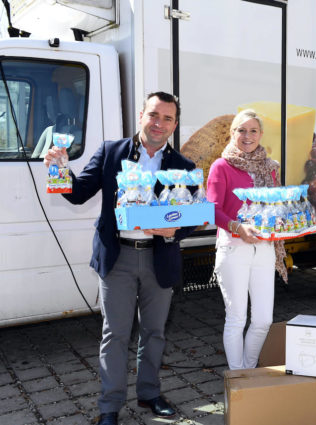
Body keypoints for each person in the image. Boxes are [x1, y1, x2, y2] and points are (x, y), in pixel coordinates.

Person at [44, 92, 196, 425]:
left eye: (167, 118)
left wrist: (172, 233)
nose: (159, 123)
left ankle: (149, 393)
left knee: (154, 332)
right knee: (115, 334)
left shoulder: (184, 167)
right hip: (118, 258)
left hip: (160, 258)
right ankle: (109, 407)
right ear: (141, 115)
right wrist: (59, 169)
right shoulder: (111, 152)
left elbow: (189, 218)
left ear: (174, 124)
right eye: (154, 115)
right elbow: (78, 192)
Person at [206, 109, 288, 370]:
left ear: (261, 135)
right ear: (232, 133)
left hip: (264, 249)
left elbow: (275, 206)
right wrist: (236, 226)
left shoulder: (270, 168)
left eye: (253, 130)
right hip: (234, 249)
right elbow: (211, 208)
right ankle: (238, 378)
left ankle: (249, 370)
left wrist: (283, 219)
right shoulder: (222, 166)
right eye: (241, 130)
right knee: (237, 318)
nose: (247, 136)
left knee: (263, 319)